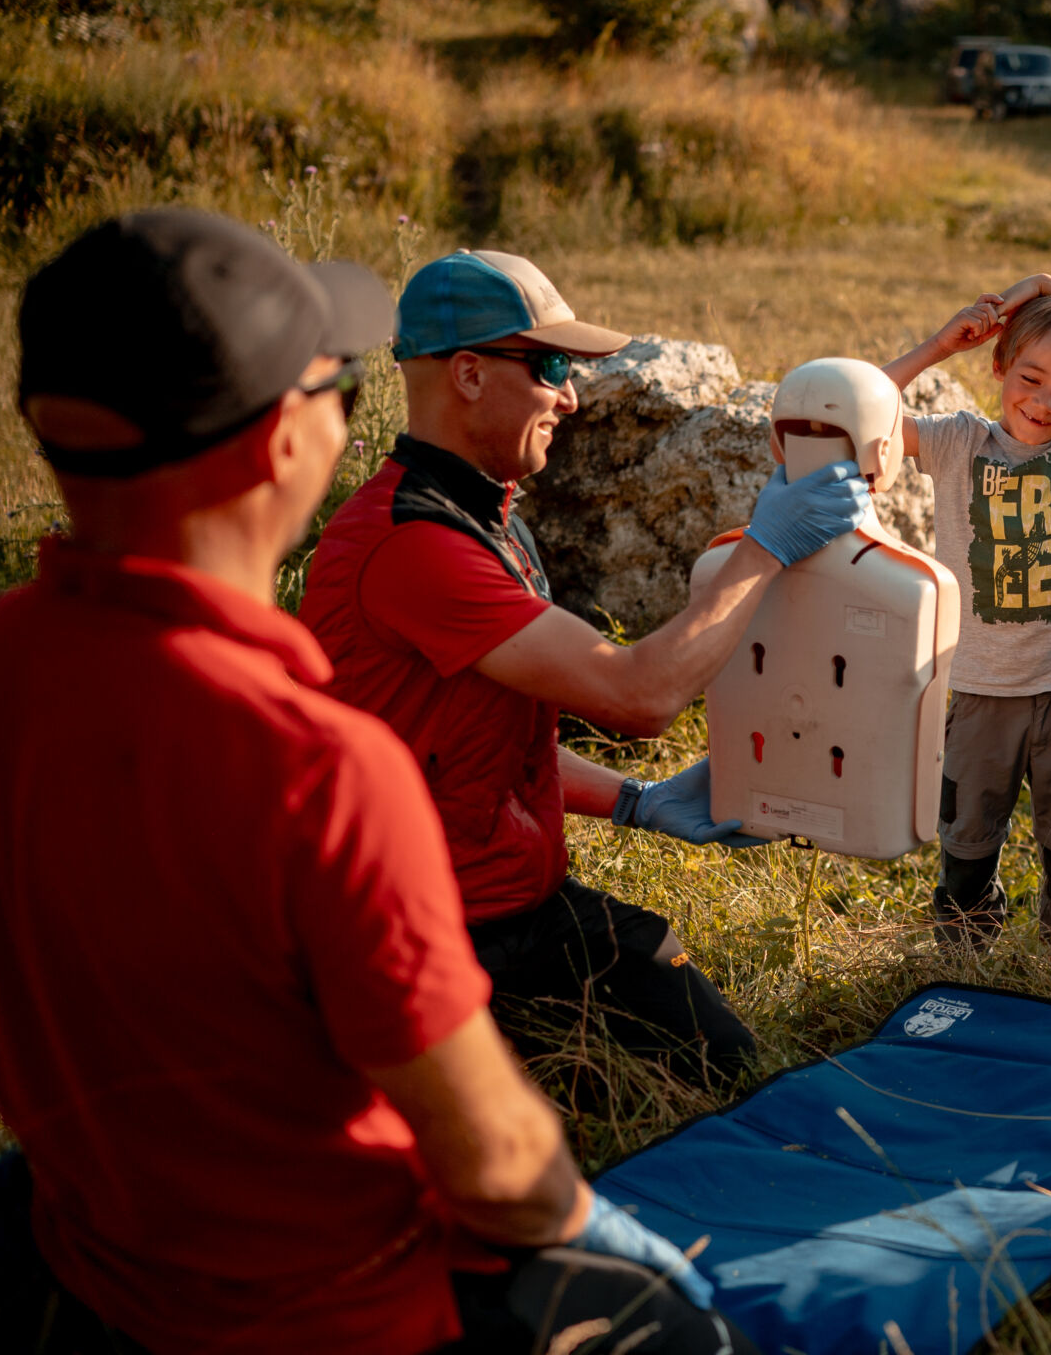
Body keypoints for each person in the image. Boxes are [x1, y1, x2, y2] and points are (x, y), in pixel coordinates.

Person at [0, 209, 756, 1354]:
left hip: (90, 1267)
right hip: (334, 1307)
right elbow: (499, 1162)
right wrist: (596, 1232)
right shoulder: (313, 767)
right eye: (339, 390)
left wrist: (628, 799)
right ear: (281, 444)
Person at [299, 249, 869, 1085]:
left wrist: (635, 801)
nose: (570, 396)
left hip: (522, 906)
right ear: (467, 373)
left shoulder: (488, 518)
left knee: (731, 1068)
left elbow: (476, 739)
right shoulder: (411, 547)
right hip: (422, 935)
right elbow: (639, 696)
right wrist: (766, 546)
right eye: (552, 366)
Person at [879, 273, 1051, 954]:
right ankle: (967, 958)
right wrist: (938, 345)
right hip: (979, 690)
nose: (1043, 402)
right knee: (968, 842)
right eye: (1028, 379)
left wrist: (1045, 285)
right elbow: (845, 416)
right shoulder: (955, 443)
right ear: (998, 366)